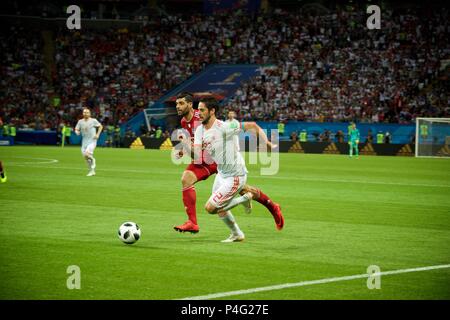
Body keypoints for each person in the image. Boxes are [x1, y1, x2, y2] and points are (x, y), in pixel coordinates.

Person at [173, 92, 283, 234]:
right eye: (176, 104)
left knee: (240, 190)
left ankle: (272, 206)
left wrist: (267, 143)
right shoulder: (185, 122)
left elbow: (230, 129)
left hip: (220, 159)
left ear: (190, 104)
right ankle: (195, 223)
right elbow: (197, 144)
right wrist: (184, 148)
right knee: (187, 179)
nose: (178, 106)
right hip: (206, 158)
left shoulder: (203, 119)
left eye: (181, 103)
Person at [75, 108, 103, 176]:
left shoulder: (93, 120)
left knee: (87, 154)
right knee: (86, 158)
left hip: (92, 141)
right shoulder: (80, 121)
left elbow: (100, 126)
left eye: (87, 112)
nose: (85, 113)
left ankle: (93, 159)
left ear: (90, 114)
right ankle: (92, 171)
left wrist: (97, 134)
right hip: (84, 142)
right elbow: (76, 129)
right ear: (82, 113)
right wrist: (77, 132)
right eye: (84, 112)